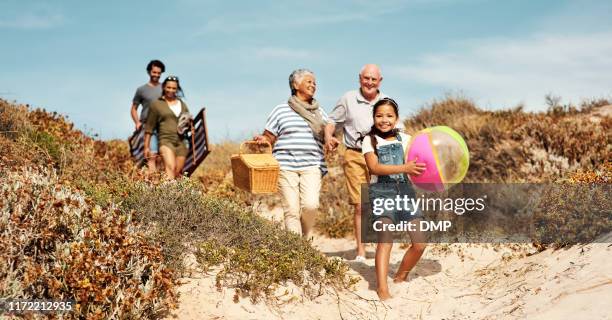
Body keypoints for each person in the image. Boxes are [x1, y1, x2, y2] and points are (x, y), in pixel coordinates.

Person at [324, 64, 403, 261]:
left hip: (381, 155)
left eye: (373, 79)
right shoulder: (348, 99)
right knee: (361, 204)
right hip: (355, 155)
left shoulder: (386, 102)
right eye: (366, 78)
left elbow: (399, 127)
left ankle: (381, 247)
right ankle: (361, 251)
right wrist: (329, 137)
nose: (369, 82)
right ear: (360, 78)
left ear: (380, 81)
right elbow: (332, 121)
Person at [361, 98, 427, 300]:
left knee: (420, 244)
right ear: (374, 117)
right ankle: (382, 289)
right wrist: (404, 168)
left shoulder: (406, 139)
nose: (384, 120)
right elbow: (374, 168)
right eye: (379, 115)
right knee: (385, 239)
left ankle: (400, 276)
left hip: (406, 193)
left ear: (397, 118)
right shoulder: (369, 140)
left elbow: (420, 162)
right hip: (381, 193)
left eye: (389, 115)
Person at [254, 69, 328, 239]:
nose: (313, 85)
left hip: (312, 165)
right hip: (285, 166)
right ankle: (298, 251)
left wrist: (331, 139)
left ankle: (305, 240)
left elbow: (327, 135)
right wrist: (263, 139)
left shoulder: (319, 112)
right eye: (309, 82)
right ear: (295, 85)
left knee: (311, 205)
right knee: (292, 210)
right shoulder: (280, 110)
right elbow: (269, 136)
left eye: (314, 83)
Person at [144, 76, 190, 179]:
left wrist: (189, 123)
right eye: (168, 87)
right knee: (170, 167)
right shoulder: (156, 104)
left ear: (177, 89)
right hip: (165, 140)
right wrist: (146, 146)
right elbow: (149, 127)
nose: (171, 90)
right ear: (164, 87)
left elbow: (188, 121)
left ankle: (167, 191)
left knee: (177, 173)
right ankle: (167, 194)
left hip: (181, 142)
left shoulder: (182, 104)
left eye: (174, 88)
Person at [131, 59, 165, 173]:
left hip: (163, 125)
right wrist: (137, 122)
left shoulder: (165, 88)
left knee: (164, 154)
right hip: (147, 125)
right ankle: (153, 183)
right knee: (151, 154)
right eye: (154, 72)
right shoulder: (141, 90)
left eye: (159, 73)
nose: (156, 75)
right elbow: (133, 109)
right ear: (149, 72)